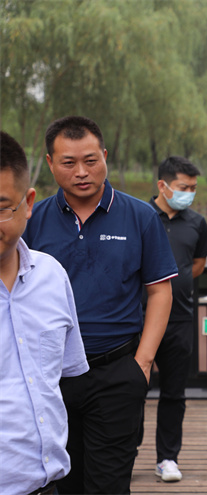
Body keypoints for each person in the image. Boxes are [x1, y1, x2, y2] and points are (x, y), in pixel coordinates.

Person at [22, 115, 178, 494]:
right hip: (51, 376)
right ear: (50, 163)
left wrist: (142, 364)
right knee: (62, 481)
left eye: (90, 160)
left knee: (109, 483)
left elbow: (160, 291)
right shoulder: (33, 220)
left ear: (105, 156)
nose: (81, 172)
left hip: (116, 370)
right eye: (69, 162)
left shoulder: (140, 217)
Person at [0, 131, 89, 495]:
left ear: (28, 203)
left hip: (47, 485)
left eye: (1, 208)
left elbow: (65, 376)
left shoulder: (51, 276)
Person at [146, 156, 207, 482]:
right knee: (130, 391)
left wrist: (177, 283)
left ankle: (167, 458)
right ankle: (124, 454)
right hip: (140, 320)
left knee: (174, 393)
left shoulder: (197, 222)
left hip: (180, 318)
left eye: (193, 188)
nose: (189, 194)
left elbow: (197, 264)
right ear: (163, 185)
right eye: (183, 187)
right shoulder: (141, 216)